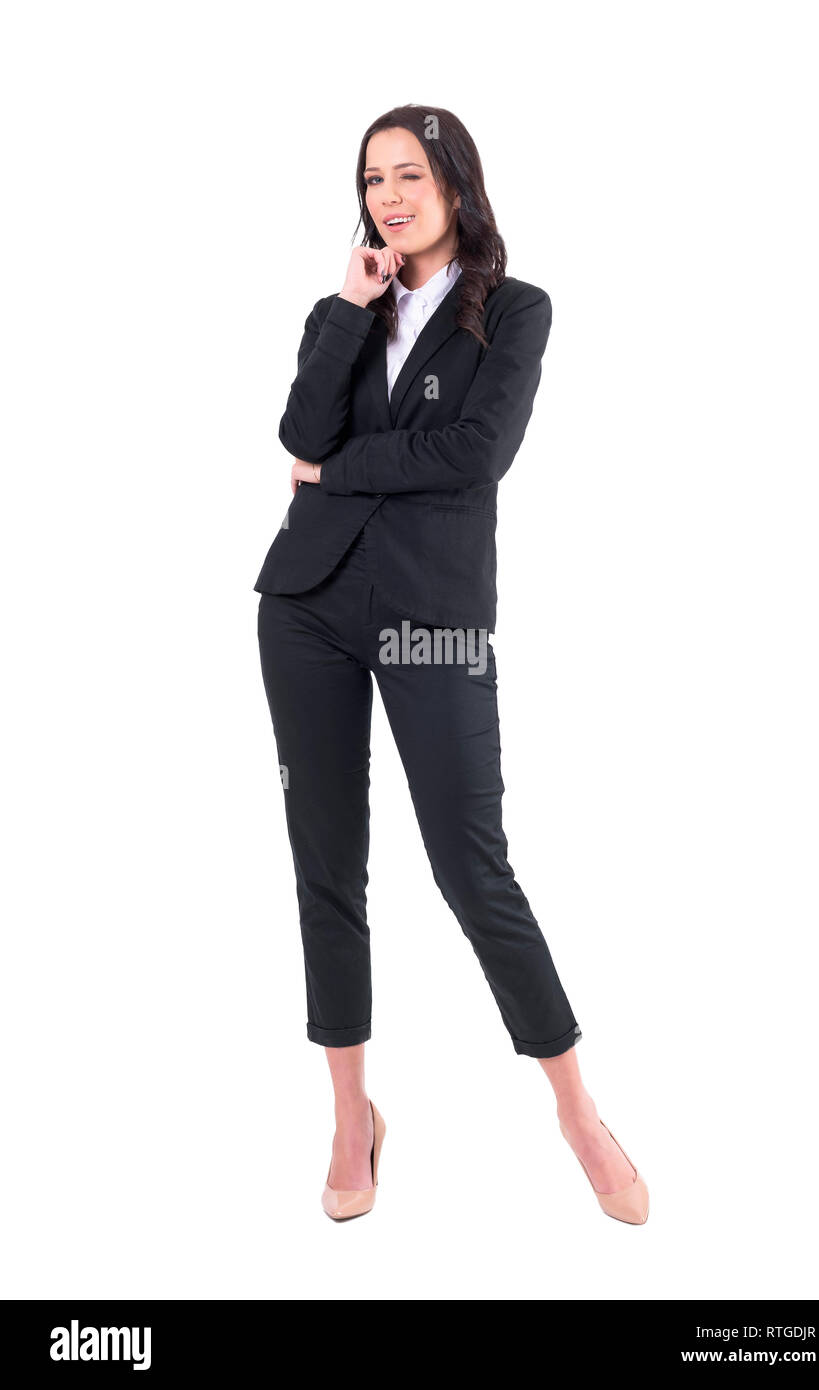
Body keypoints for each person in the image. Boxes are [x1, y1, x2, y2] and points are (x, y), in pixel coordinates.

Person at [254, 104, 649, 1224]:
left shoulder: (512, 310)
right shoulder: (346, 311)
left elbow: (477, 454)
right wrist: (348, 307)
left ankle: (574, 1107)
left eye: (410, 174)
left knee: (472, 866)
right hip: (307, 607)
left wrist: (337, 473)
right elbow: (297, 429)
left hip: (431, 615)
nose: (389, 194)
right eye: (373, 177)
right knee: (325, 865)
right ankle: (348, 1116)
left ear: (455, 185)